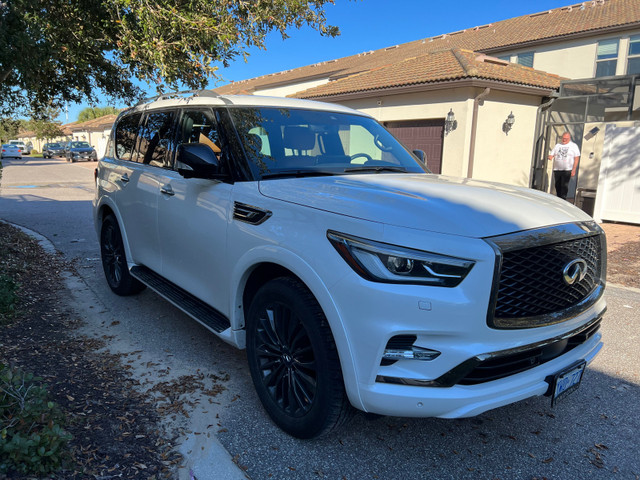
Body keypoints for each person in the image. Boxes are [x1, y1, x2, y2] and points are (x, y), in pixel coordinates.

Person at [548, 132, 580, 200]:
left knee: (564, 185)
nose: (564, 140)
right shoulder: (558, 145)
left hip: (567, 169)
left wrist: (574, 169)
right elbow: (552, 154)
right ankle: (558, 198)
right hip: (557, 169)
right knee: (557, 185)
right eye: (563, 138)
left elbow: (576, 158)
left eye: (566, 139)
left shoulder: (573, 146)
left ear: (569, 138)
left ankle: (563, 199)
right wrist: (550, 156)